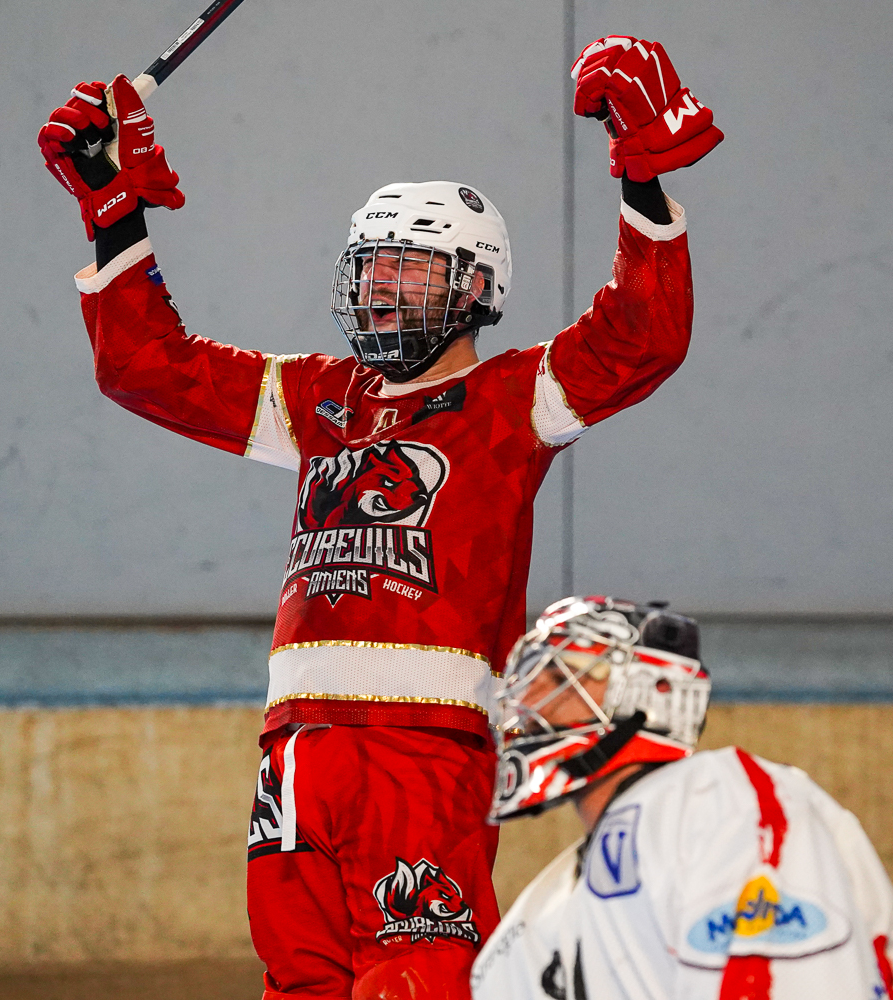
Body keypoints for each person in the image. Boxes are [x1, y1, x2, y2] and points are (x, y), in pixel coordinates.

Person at [36, 37, 723, 1000]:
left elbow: (641, 337)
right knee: (301, 979)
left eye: (413, 271)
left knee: (421, 979)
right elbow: (148, 367)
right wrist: (117, 213)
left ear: (478, 288)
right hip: (294, 749)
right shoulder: (319, 397)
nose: (382, 289)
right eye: (373, 268)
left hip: (424, 747)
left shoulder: (512, 396)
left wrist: (643, 179)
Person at [473, 597, 893, 1000]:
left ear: (651, 696)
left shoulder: (719, 803)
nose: (528, 695)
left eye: (563, 678)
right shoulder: (539, 917)